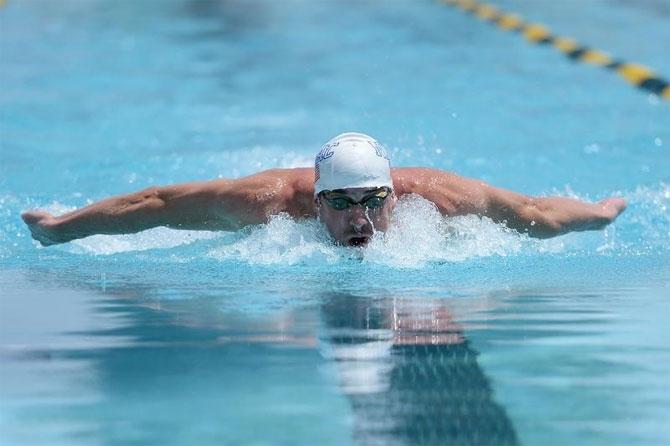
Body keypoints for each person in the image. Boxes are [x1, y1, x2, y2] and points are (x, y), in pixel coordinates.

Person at [21, 132, 626, 247]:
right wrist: (62, 228)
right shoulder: (263, 203)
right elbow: (154, 205)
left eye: (372, 201)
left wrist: (598, 214)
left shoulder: (434, 199)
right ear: (315, 200)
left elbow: (536, 212)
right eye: (340, 203)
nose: (359, 218)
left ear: (392, 194)